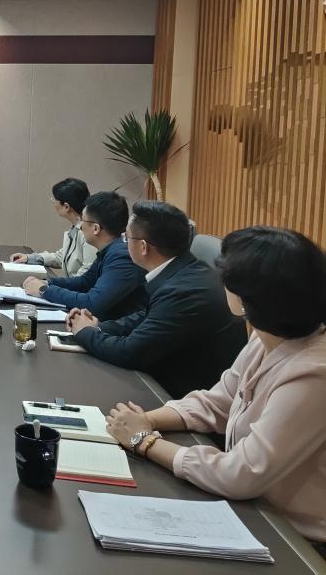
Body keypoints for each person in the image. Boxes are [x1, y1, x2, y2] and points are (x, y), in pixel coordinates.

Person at [105, 227, 326, 549]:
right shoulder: (266, 337)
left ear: (246, 298)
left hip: (298, 540)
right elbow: (217, 403)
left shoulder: (314, 372)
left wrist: (143, 441)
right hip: (257, 511)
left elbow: (242, 474)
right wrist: (145, 420)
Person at [64, 201, 247, 398]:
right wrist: (99, 326)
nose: (124, 243)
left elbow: (129, 353)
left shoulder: (183, 291)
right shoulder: (187, 269)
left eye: (127, 238)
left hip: (178, 396)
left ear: (143, 247)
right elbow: (149, 316)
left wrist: (84, 332)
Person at [23, 191, 146, 320]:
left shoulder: (121, 257)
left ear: (96, 228)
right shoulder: (111, 250)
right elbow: (84, 282)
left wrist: (44, 290)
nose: (80, 226)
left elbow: (92, 303)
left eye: (83, 220)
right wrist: (48, 282)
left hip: (114, 329)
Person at [11, 177, 96, 277]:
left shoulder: (89, 232)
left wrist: (55, 284)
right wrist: (29, 258)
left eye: (55, 200)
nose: (53, 203)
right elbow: (61, 257)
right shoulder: (75, 228)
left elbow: (87, 272)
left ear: (66, 206)